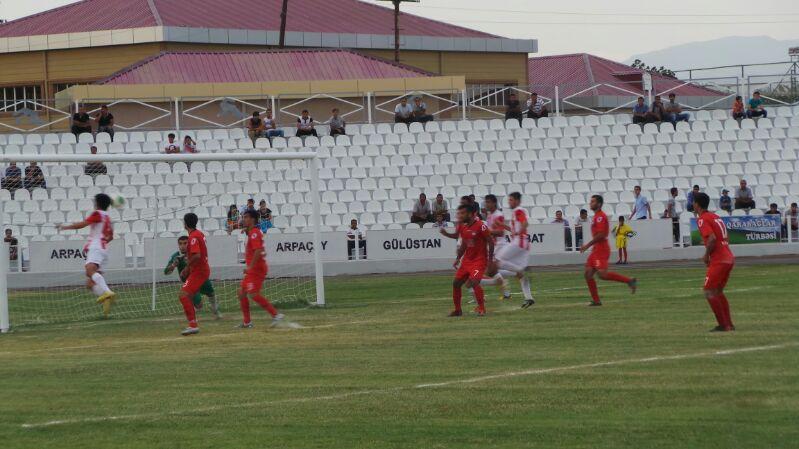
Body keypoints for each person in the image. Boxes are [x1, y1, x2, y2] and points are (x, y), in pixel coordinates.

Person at [56, 193, 117, 318]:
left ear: (97, 203)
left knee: (89, 271)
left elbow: (83, 224)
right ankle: (106, 299)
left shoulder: (97, 213)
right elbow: (110, 237)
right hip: (104, 249)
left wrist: (64, 227)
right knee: (90, 284)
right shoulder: (108, 218)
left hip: (96, 247)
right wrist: (102, 242)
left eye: (95, 201)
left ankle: (108, 292)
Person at [580, 195, 637, 306]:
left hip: (601, 249)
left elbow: (601, 234)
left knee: (602, 275)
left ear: (599, 204)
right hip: (596, 249)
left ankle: (629, 281)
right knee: (588, 274)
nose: (590, 203)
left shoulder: (600, 217)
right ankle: (596, 301)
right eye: (590, 201)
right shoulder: (596, 216)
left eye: (593, 201)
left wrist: (587, 245)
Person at [439, 204, 494, 316]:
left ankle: (482, 308)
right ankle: (458, 310)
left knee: (474, 282)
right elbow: (464, 244)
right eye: (460, 213)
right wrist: (458, 258)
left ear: (470, 214)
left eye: (463, 213)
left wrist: (490, 260)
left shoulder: (481, 226)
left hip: (479, 260)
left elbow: (491, 242)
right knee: (456, 283)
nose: (460, 215)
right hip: (467, 261)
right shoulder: (463, 227)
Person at [485, 192, 536, 308]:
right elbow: (513, 229)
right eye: (509, 200)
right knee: (519, 274)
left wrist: (519, 232)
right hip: (522, 243)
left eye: (511, 200)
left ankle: (520, 271)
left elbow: (525, 223)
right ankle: (529, 298)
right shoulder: (515, 212)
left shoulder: (518, 210)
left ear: (517, 201)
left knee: (495, 265)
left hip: (519, 242)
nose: (509, 202)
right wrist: (502, 225)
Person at [693, 192, 735, 332]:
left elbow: (712, 238)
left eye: (694, 202)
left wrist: (706, 255)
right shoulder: (715, 217)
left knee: (708, 291)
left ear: (697, 204)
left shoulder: (702, 219)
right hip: (728, 257)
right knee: (717, 291)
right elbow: (722, 236)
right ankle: (728, 324)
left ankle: (723, 325)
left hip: (719, 259)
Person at [236, 210, 284, 328]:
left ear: (252, 219)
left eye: (246, 217)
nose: (243, 219)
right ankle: (247, 322)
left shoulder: (254, 233)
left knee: (253, 294)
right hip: (254, 269)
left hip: (257, 269)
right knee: (241, 293)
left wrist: (250, 267)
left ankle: (276, 315)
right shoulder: (252, 232)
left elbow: (258, 250)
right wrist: (246, 230)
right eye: (243, 217)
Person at [164, 236, 221, 319]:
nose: (182, 246)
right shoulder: (176, 256)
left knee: (211, 294)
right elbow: (166, 272)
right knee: (199, 306)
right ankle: (192, 313)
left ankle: (215, 309)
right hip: (190, 282)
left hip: (200, 278)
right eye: (180, 244)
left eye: (185, 243)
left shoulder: (195, 253)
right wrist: (173, 265)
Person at [177, 213, 211, 335]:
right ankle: (194, 320)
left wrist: (186, 267)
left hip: (199, 271)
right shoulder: (199, 234)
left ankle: (193, 325)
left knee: (183, 295)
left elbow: (197, 255)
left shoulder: (193, 237)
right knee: (188, 295)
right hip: (201, 270)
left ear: (185, 224)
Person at [476, 194, 511, 301]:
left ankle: (517, 273)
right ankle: (507, 292)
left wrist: (486, 232)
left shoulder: (498, 215)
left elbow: (501, 232)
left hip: (499, 246)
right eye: (485, 202)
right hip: (494, 246)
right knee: (492, 271)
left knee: (490, 271)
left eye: (488, 202)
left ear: (494, 203)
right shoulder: (490, 215)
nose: (486, 204)